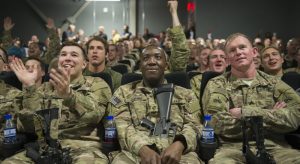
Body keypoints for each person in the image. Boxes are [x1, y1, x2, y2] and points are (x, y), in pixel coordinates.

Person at [2, 41, 112, 163]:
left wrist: (69, 96)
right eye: (63, 54)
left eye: (74, 55)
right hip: (45, 149)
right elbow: (28, 126)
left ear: (84, 64)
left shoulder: (97, 84)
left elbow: (95, 115)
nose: (68, 58)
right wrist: (30, 88)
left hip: (83, 149)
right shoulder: (44, 88)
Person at [202, 33, 300, 163]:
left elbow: (295, 116)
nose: (238, 52)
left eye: (242, 47)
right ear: (228, 59)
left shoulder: (274, 83)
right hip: (233, 149)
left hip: (275, 147)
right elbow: (216, 122)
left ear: (254, 52)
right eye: (232, 50)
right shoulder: (217, 84)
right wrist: (271, 114)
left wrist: (244, 112)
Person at [110, 44, 202, 164]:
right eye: (146, 58)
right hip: (134, 154)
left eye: (158, 57)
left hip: (179, 154)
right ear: (140, 66)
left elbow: (195, 125)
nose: (152, 62)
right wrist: (142, 149)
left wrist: (179, 144)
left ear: (166, 65)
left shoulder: (186, 94)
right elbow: (122, 126)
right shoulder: (123, 93)